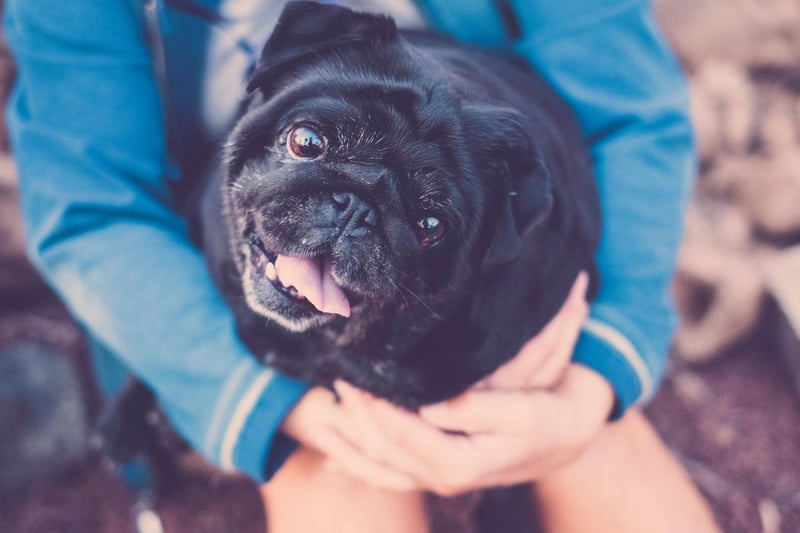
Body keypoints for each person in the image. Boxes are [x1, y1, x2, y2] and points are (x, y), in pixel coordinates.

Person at [5, 0, 718, 531]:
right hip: (205, 281)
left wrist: (598, 374)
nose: (348, 213)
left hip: (500, 288)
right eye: (312, 142)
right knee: (341, 483)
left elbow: (634, 113)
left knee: (595, 448)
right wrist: (277, 409)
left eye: (422, 214)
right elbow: (94, 205)